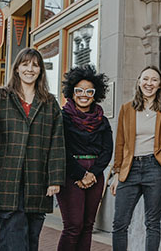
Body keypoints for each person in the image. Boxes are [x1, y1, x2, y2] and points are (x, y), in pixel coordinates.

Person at [0, 47, 65, 250]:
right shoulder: (0, 98)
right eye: (25, 64)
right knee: (12, 240)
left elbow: (57, 142)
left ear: (40, 70)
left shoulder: (49, 103)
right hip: (7, 180)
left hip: (37, 181)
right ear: (16, 68)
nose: (30, 69)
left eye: (35, 65)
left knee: (32, 240)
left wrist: (55, 179)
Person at [110, 65, 161, 251]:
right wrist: (116, 173)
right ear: (139, 82)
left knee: (152, 222)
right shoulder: (126, 109)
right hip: (130, 169)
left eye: (154, 80)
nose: (149, 83)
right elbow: (120, 142)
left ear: (159, 85)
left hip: (155, 168)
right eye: (146, 79)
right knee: (120, 223)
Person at [57, 65, 113, 251]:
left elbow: (107, 150)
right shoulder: (63, 118)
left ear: (95, 94)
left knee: (88, 226)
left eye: (89, 91)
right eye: (79, 90)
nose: (84, 94)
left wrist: (93, 174)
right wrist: (81, 174)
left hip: (95, 175)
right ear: (71, 92)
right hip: (70, 173)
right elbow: (60, 149)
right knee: (73, 226)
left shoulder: (101, 120)